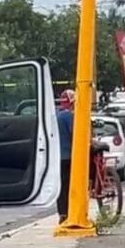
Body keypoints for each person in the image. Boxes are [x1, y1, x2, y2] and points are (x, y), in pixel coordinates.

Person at [56, 89, 75, 223]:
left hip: (56, 157)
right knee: (69, 185)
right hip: (69, 156)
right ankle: (70, 212)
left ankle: (62, 213)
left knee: (61, 187)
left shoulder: (55, 115)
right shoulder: (69, 117)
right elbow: (75, 134)